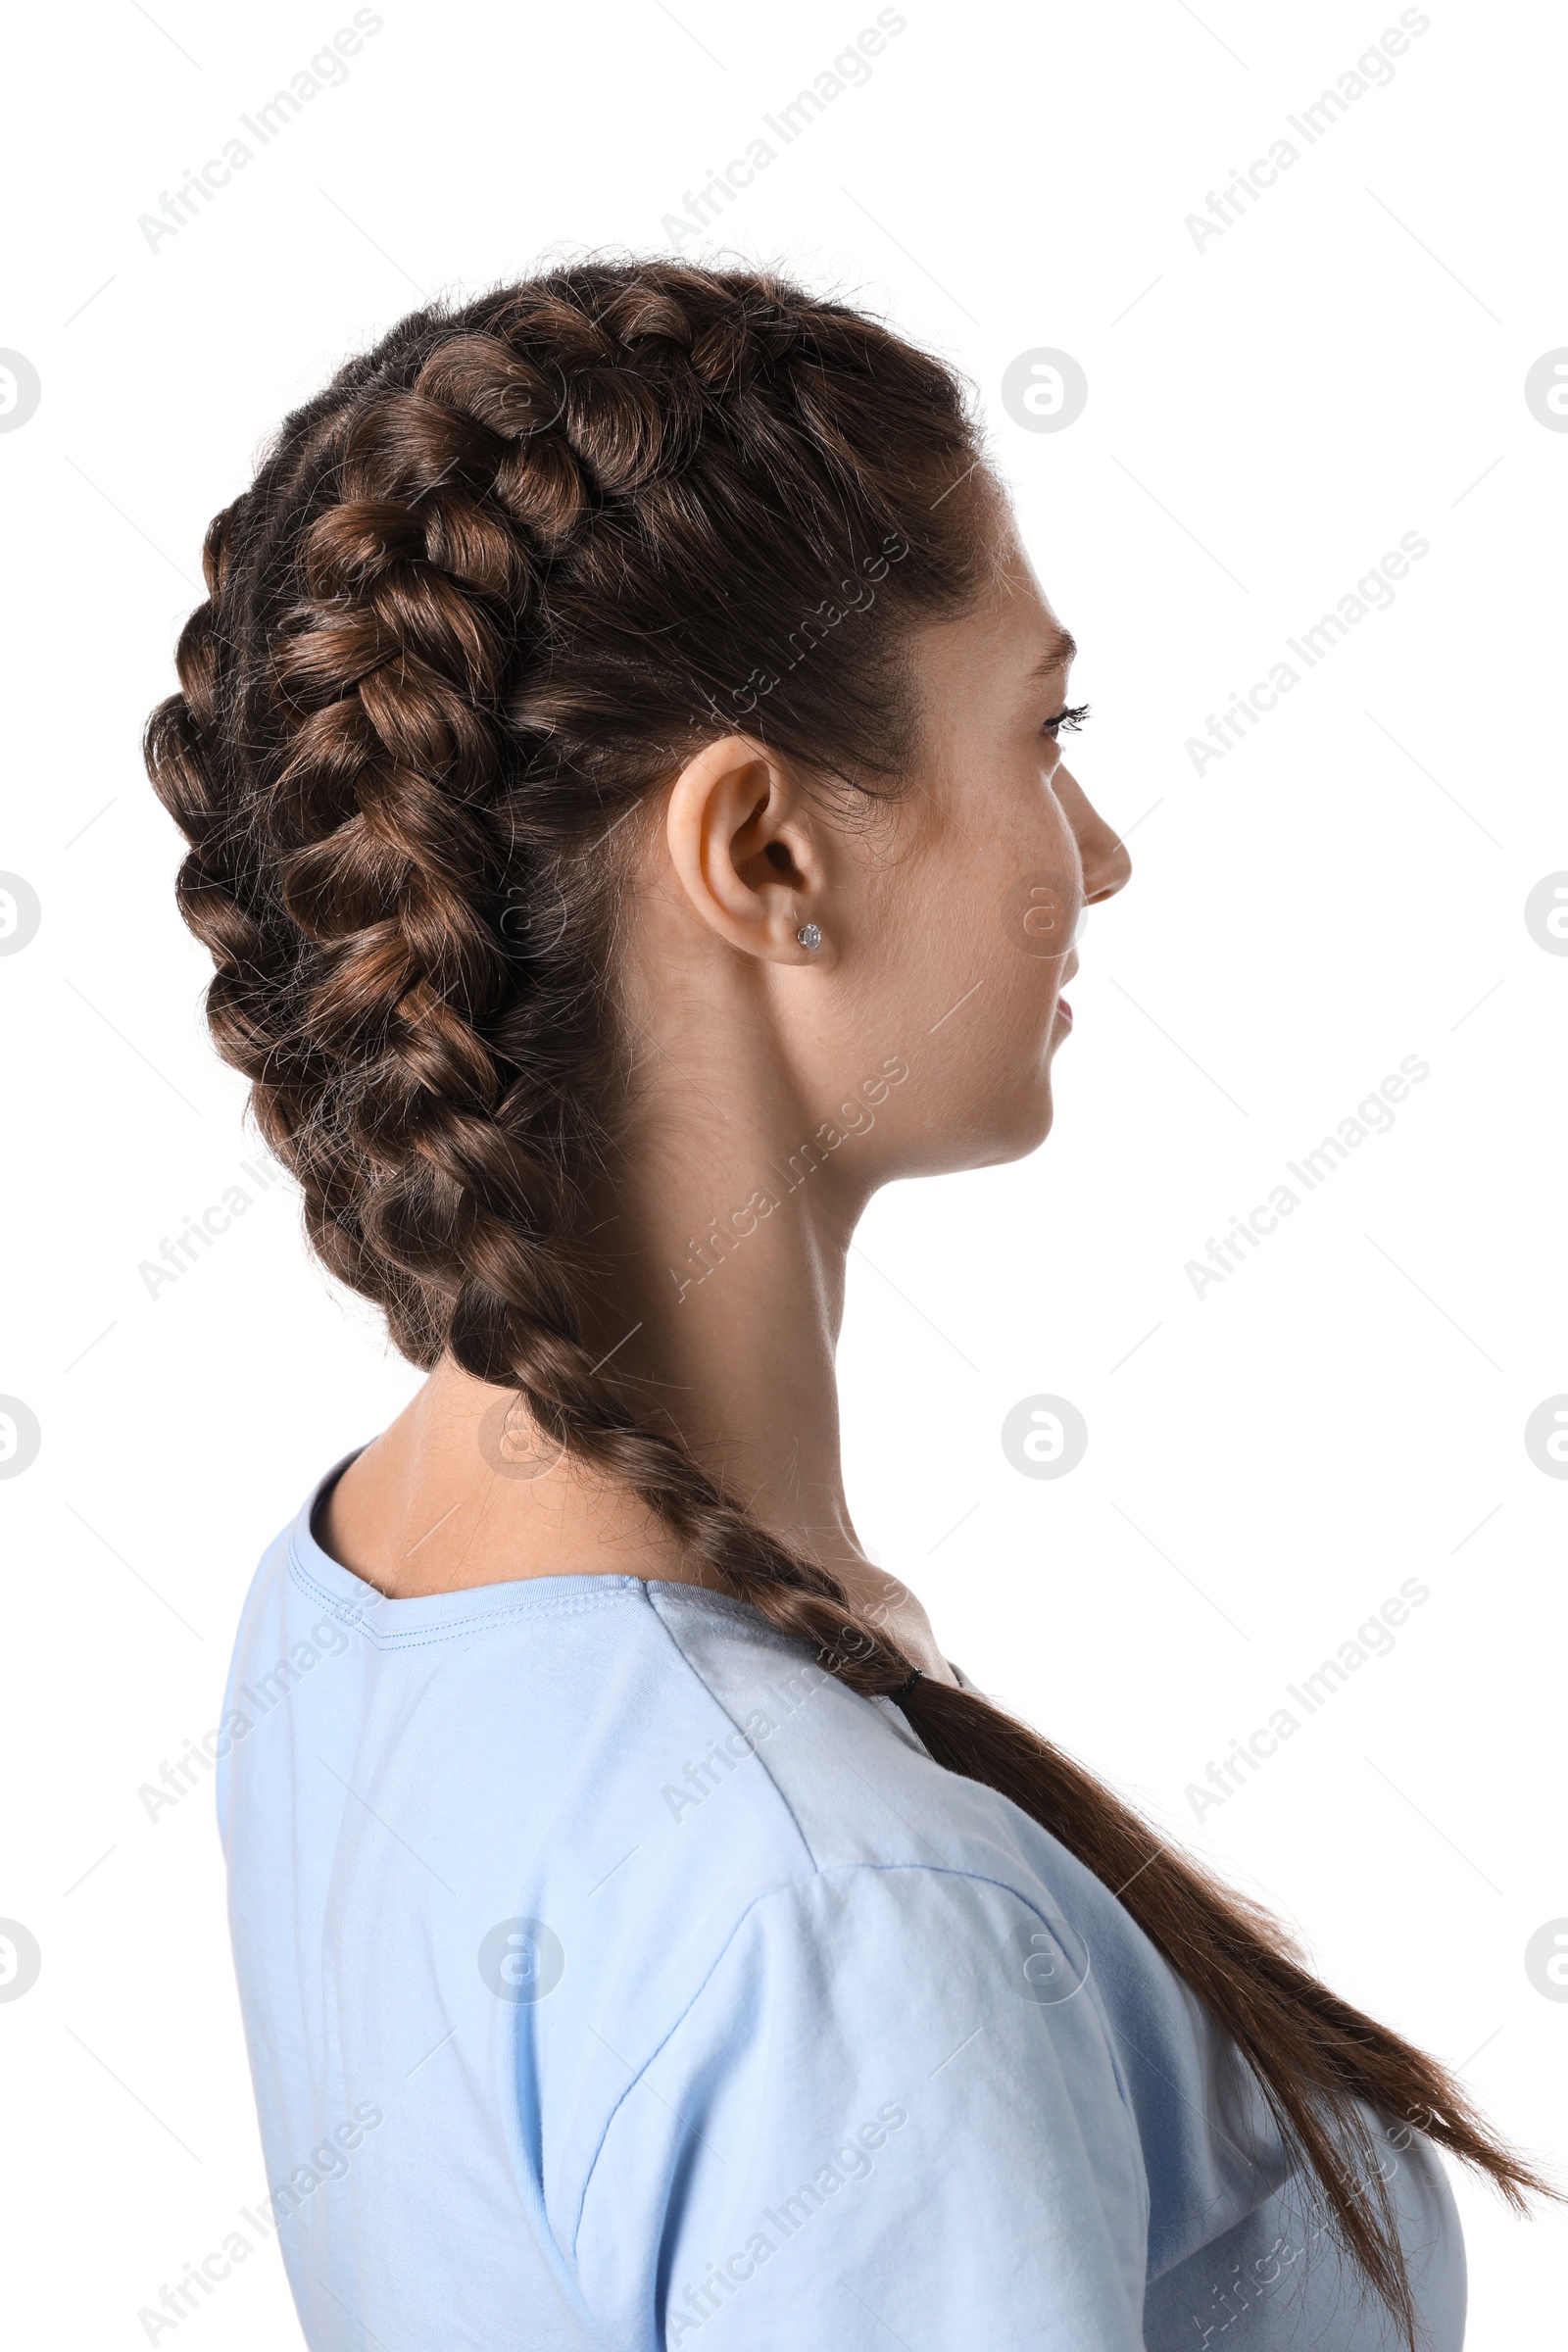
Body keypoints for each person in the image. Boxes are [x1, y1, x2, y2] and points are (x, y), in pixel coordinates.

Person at [146, 261, 1540, 2350]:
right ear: (763, 851)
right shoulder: (849, 1931)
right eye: (1041, 732)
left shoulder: (352, 1592)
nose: (1100, 848)